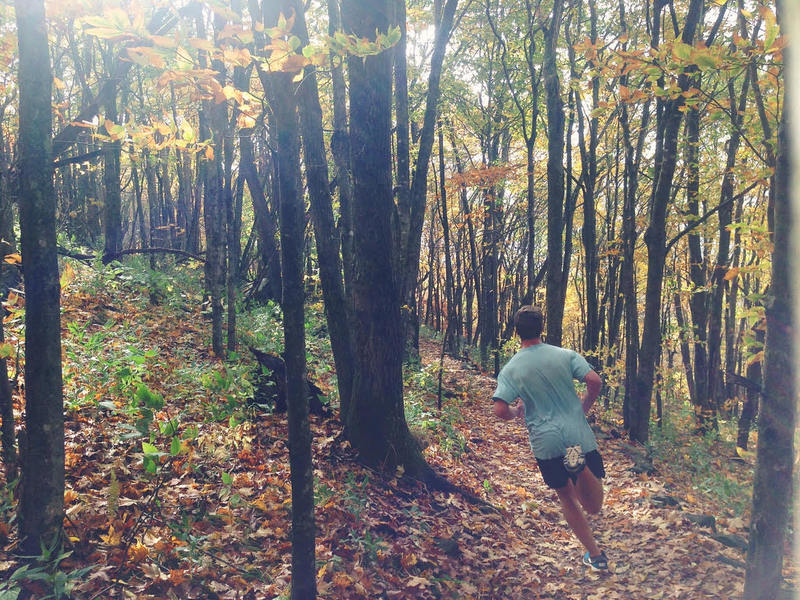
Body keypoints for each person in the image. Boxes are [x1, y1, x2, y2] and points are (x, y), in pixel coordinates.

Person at [492, 305, 608, 571]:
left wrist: (515, 411)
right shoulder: (564, 355)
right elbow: (595, 381)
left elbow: (499, 409)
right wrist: (585, 405)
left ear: (516, 332)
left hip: (546, 443)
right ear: (541, 328)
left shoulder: (511, 369)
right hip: (575, 434)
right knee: (593, 505)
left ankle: (596, 555)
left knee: (566, 497)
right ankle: (579, 468)